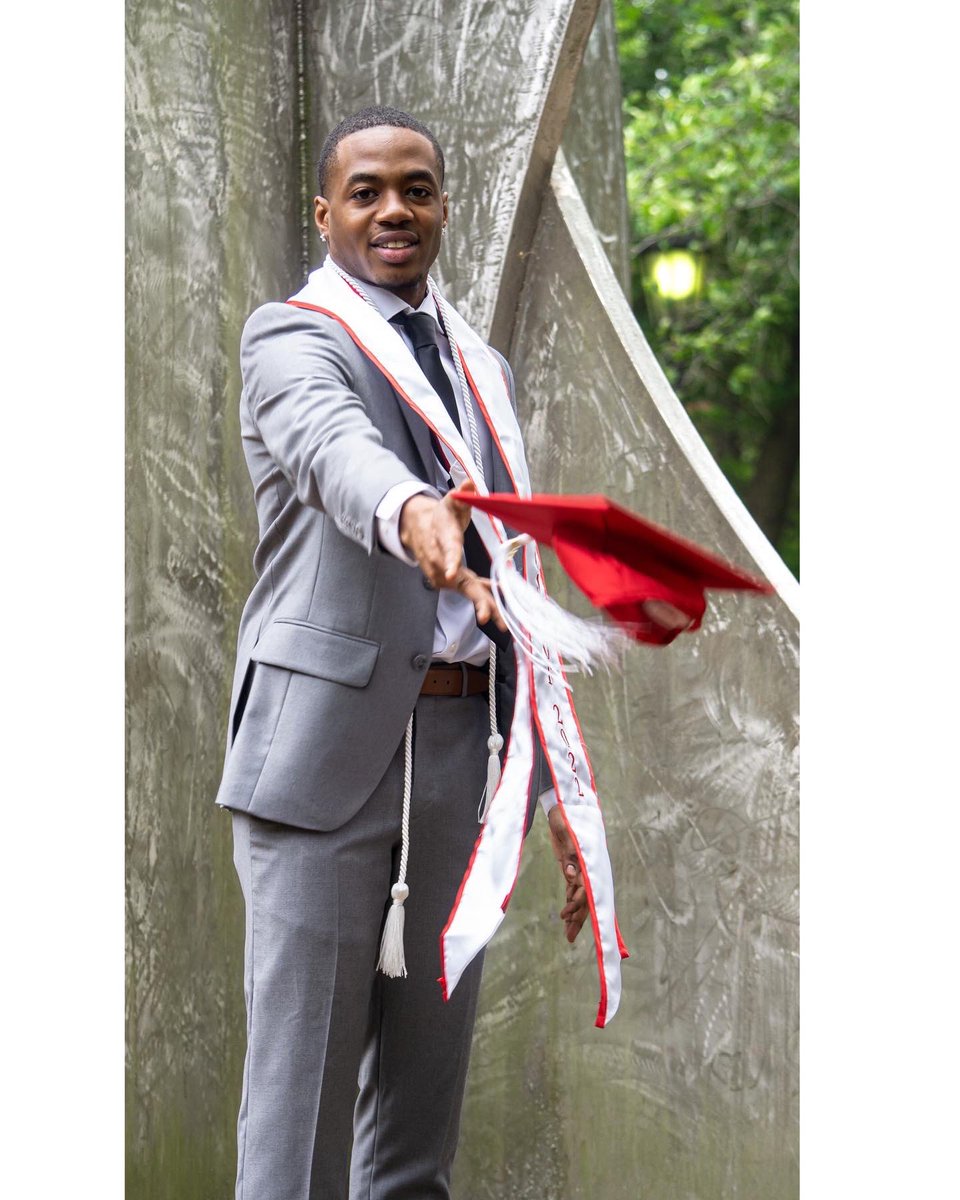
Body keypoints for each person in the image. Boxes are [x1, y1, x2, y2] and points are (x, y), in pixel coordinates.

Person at [215, 106, 590, 1200]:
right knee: (299, 1131)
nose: (394, 210)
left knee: (418, 1137)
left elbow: (516, 583)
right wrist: (413, 508)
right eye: (367, 191)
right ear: (324, 212)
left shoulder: (482, 369)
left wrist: (552, 786)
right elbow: (333, 447)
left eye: (416, 190)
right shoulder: (292, 339)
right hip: (324, 759)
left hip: (466, 758)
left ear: (443, 208)